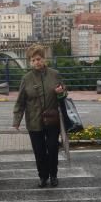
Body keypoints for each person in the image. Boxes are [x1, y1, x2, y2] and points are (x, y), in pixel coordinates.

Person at [12, 44, 66, 187]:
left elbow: (64, 94)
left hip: (52, 120)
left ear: (44, 59)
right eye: (33, 60)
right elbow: (20, 101)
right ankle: (43, 177)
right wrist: (17, 120)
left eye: (39, 59)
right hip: (34, 121)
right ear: (30, 62)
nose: (37, 62)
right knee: (39, 151)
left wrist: (61, 92)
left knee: (53, 148)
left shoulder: (54, 74)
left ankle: (53, 175)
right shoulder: (26, 79)